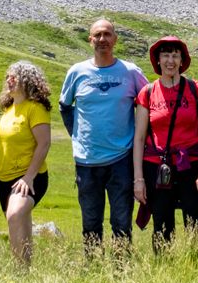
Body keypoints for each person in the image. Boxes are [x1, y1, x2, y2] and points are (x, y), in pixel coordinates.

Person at [58, 20, 148, 257]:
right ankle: (94, 267)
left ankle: (122, 269)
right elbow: (65, 106)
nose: (102, 39)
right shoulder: (77, 72)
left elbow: (149, 103)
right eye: (97, 35)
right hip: (86, 161)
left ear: (115, 39)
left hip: (122, 159)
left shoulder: (130, 72)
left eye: (107, 34)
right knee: (90, 222)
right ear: (90, 40)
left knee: (121, 221)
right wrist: (76, 135)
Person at [132, 35, 198, 250]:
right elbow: (139, 138)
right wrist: (138, 179)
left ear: (182, 60)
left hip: (192, 164)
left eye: (175, 55)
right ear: (157, 60)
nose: (170, 60)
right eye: (165, 55)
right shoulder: (147, 93)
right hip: (157, 166)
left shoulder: (195, 89)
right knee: (161, 221)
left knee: (194, 219)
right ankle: (163, 267)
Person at [0, 60, 54, 268]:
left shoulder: (35, 108)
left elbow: (44, 143)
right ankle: (25, 272)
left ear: (27, 80)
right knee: (20, 222)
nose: (9, 80)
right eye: (8, 77)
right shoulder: (8, 109)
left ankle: (18, 270)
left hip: (29, 176)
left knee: (15, 214)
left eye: (15, 77)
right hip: (3, 177)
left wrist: (28, 177)